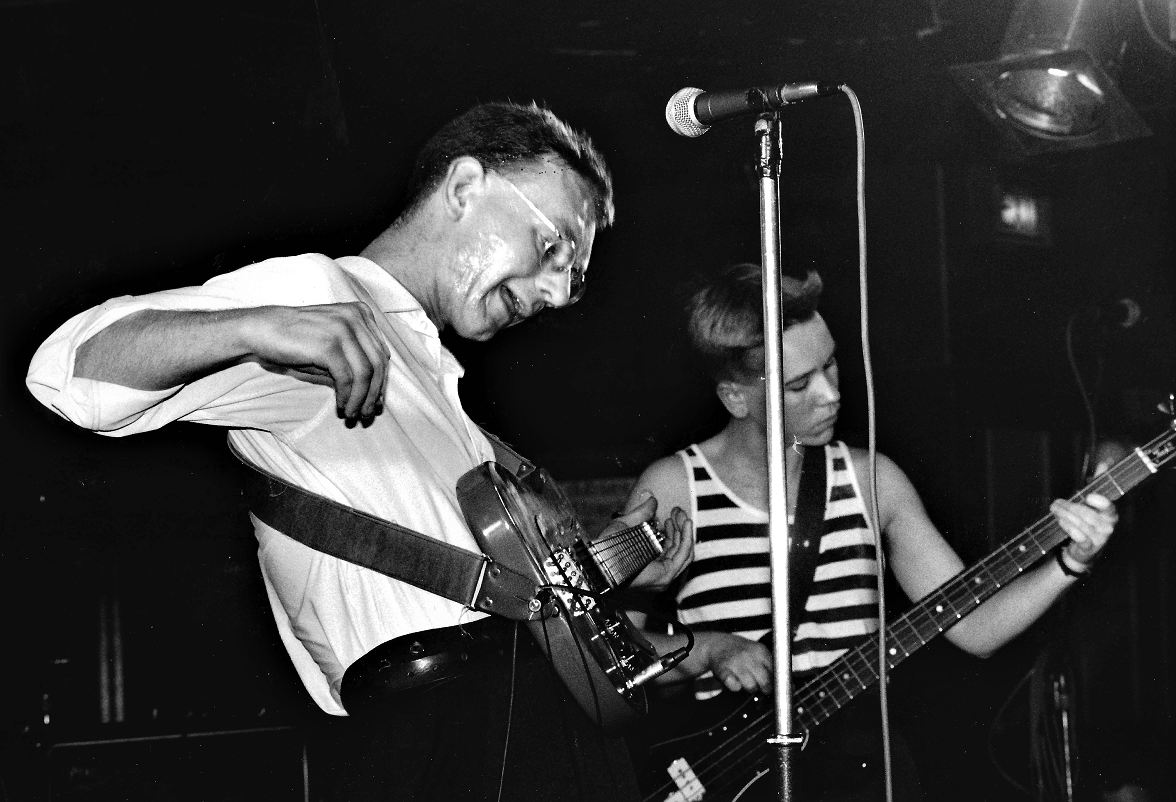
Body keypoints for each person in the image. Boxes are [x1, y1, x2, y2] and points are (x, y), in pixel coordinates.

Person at [26, 101, 690, 802]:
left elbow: (484, 585)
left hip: (522, 723)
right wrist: (252, 326)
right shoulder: (318, 297)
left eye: (574, 277)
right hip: (450, 728)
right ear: (465, 188)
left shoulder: (433, 376)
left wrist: (603, 570)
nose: (556, 291)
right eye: (553, 246)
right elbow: (66, 375)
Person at [624, 263, 1119, 801]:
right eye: (799, 384)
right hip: (728, 779)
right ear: (735, 397)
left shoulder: (871, 479)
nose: (830, 394)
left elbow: (976, 630)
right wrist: (709, 650)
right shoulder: (674, 487)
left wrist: (1070, 562)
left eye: (831, 364)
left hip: (857, 772)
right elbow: (611, 662)